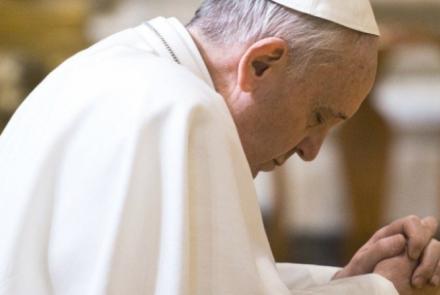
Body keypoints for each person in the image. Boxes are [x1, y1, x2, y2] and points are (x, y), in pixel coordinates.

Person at [0, 0, 439, 294]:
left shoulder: (116, 66)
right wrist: (380, 291)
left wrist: (352, 283)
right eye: (318, 117)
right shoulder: (180, 112)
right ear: (261, 64)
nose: (311, 150)